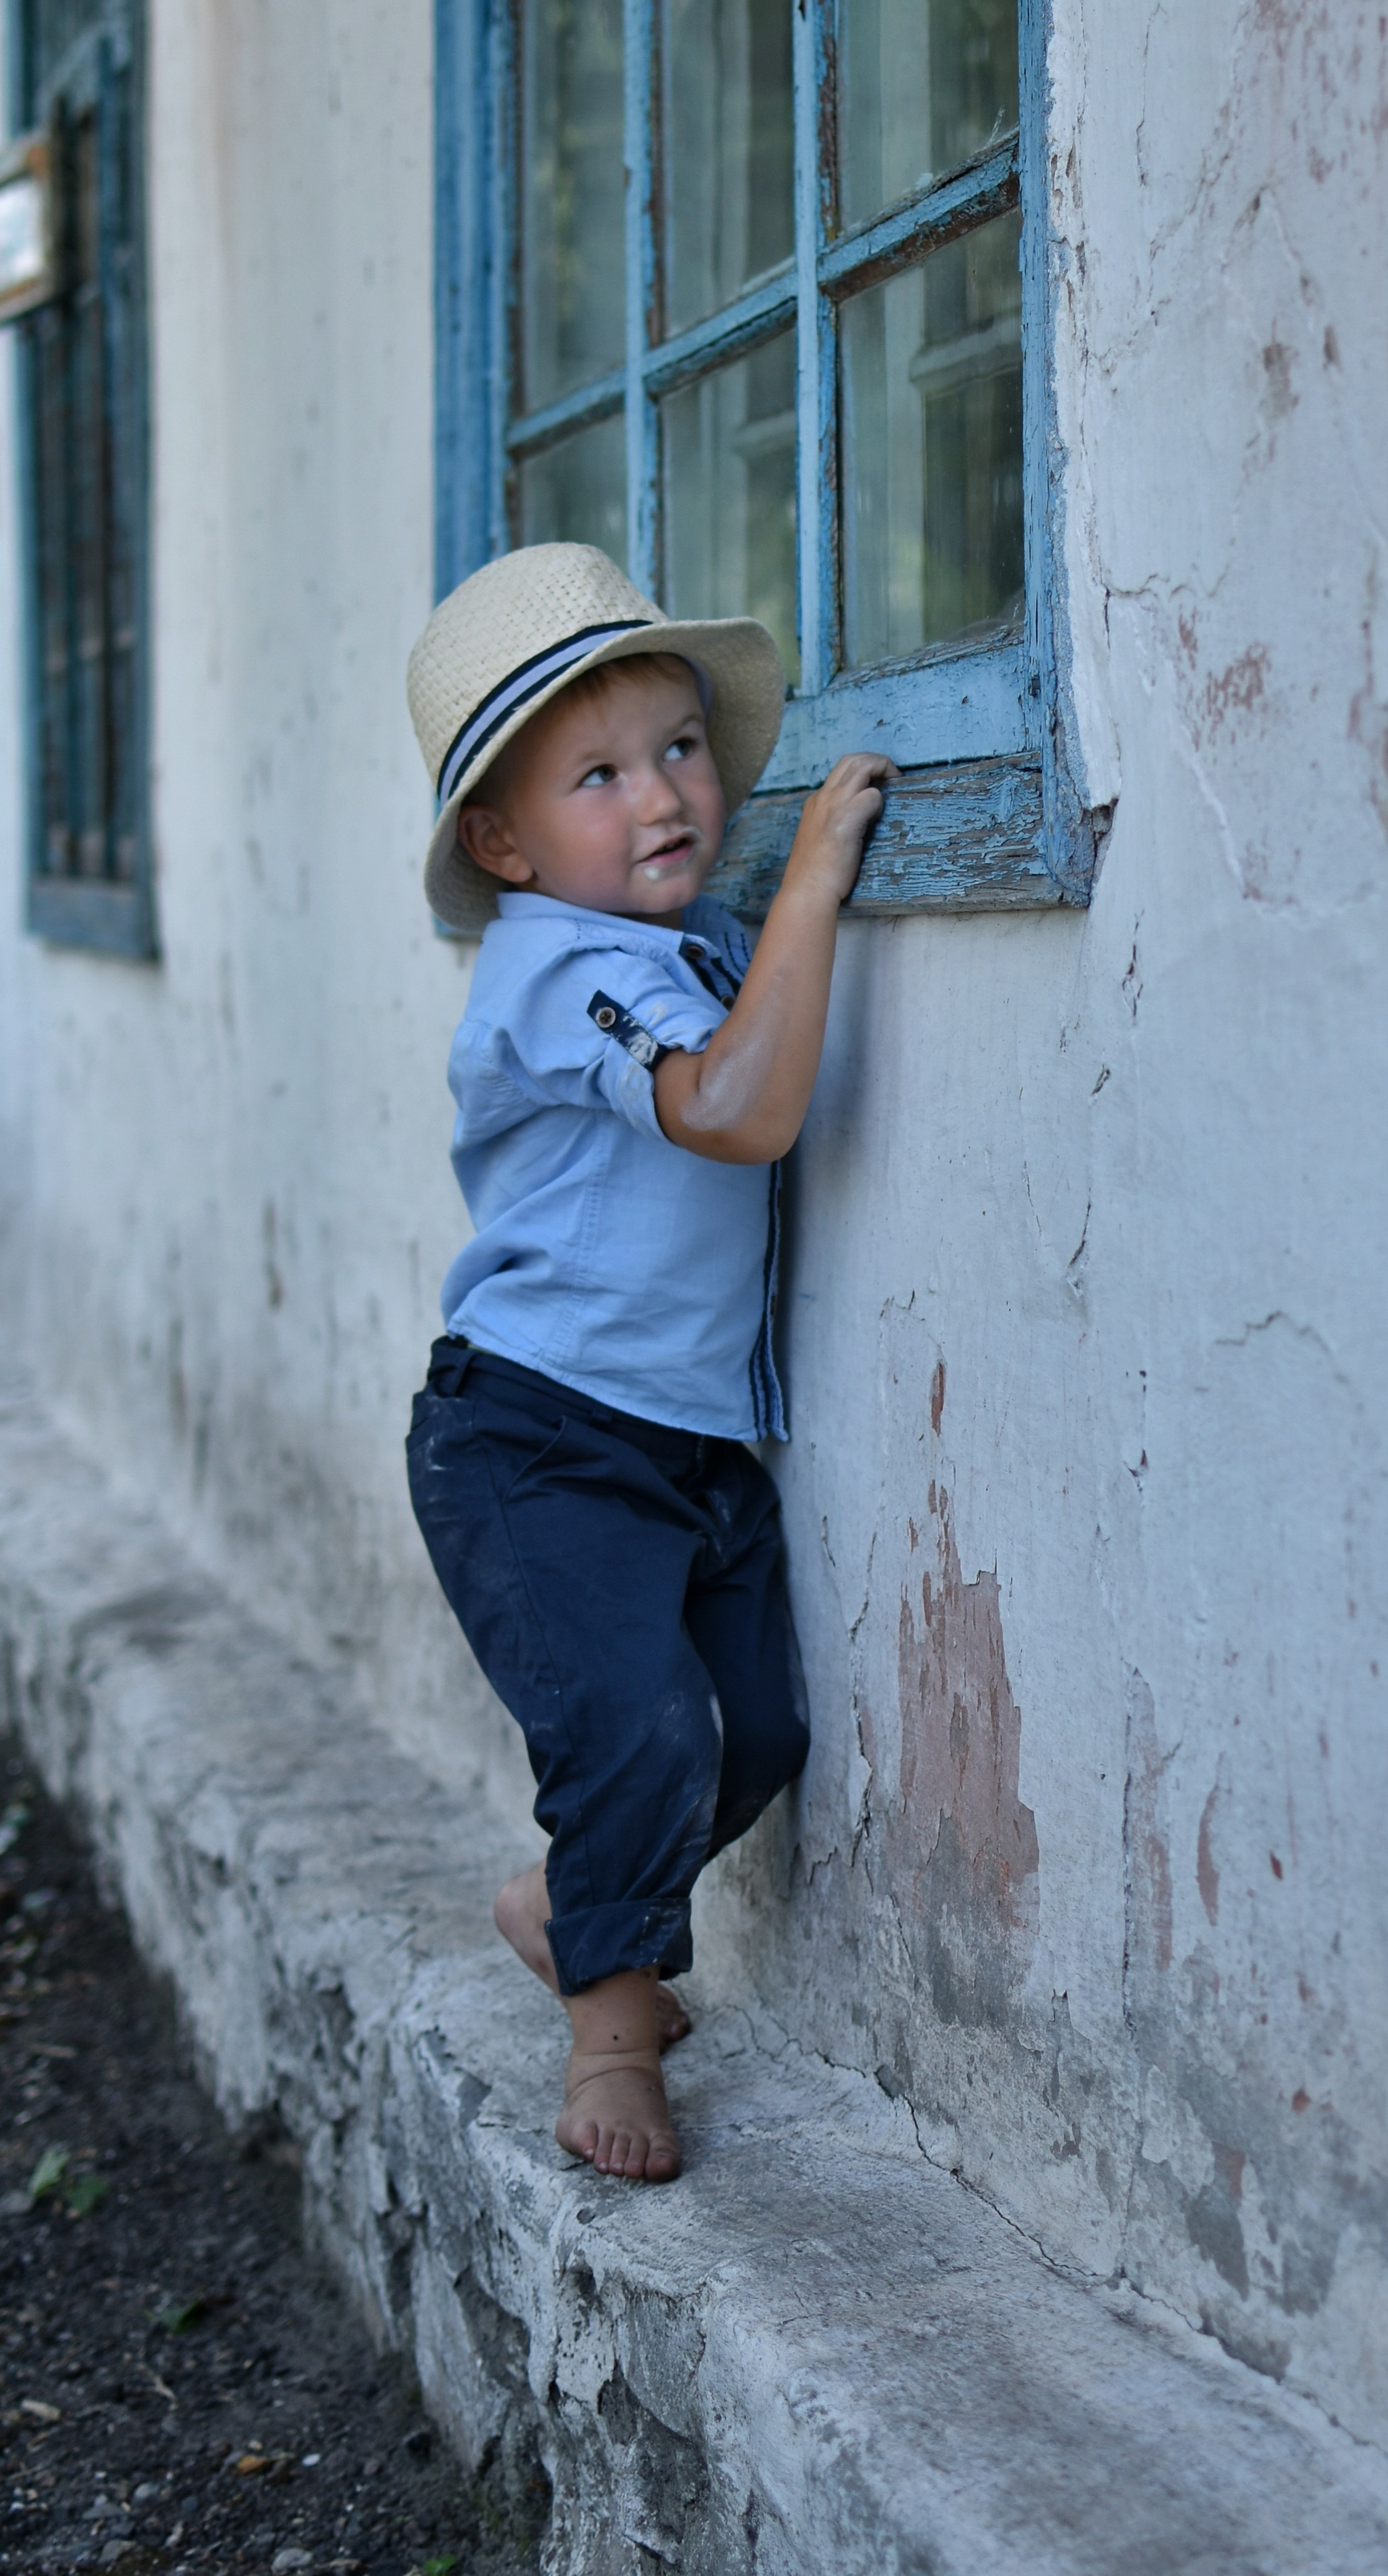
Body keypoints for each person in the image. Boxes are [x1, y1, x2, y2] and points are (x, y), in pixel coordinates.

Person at [403, 543, 894, 2185]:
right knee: (638, 1732)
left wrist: (780, 919)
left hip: (679, 1440)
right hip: (534, 1437)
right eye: (595, 776)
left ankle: (563, 1902)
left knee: (749, 1733)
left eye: (677, 748)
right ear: (503, 841)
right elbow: (737, 1108)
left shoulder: (680, 946)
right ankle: (611, 2032)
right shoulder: (562, 973)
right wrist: (821, 873)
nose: (662, 796)